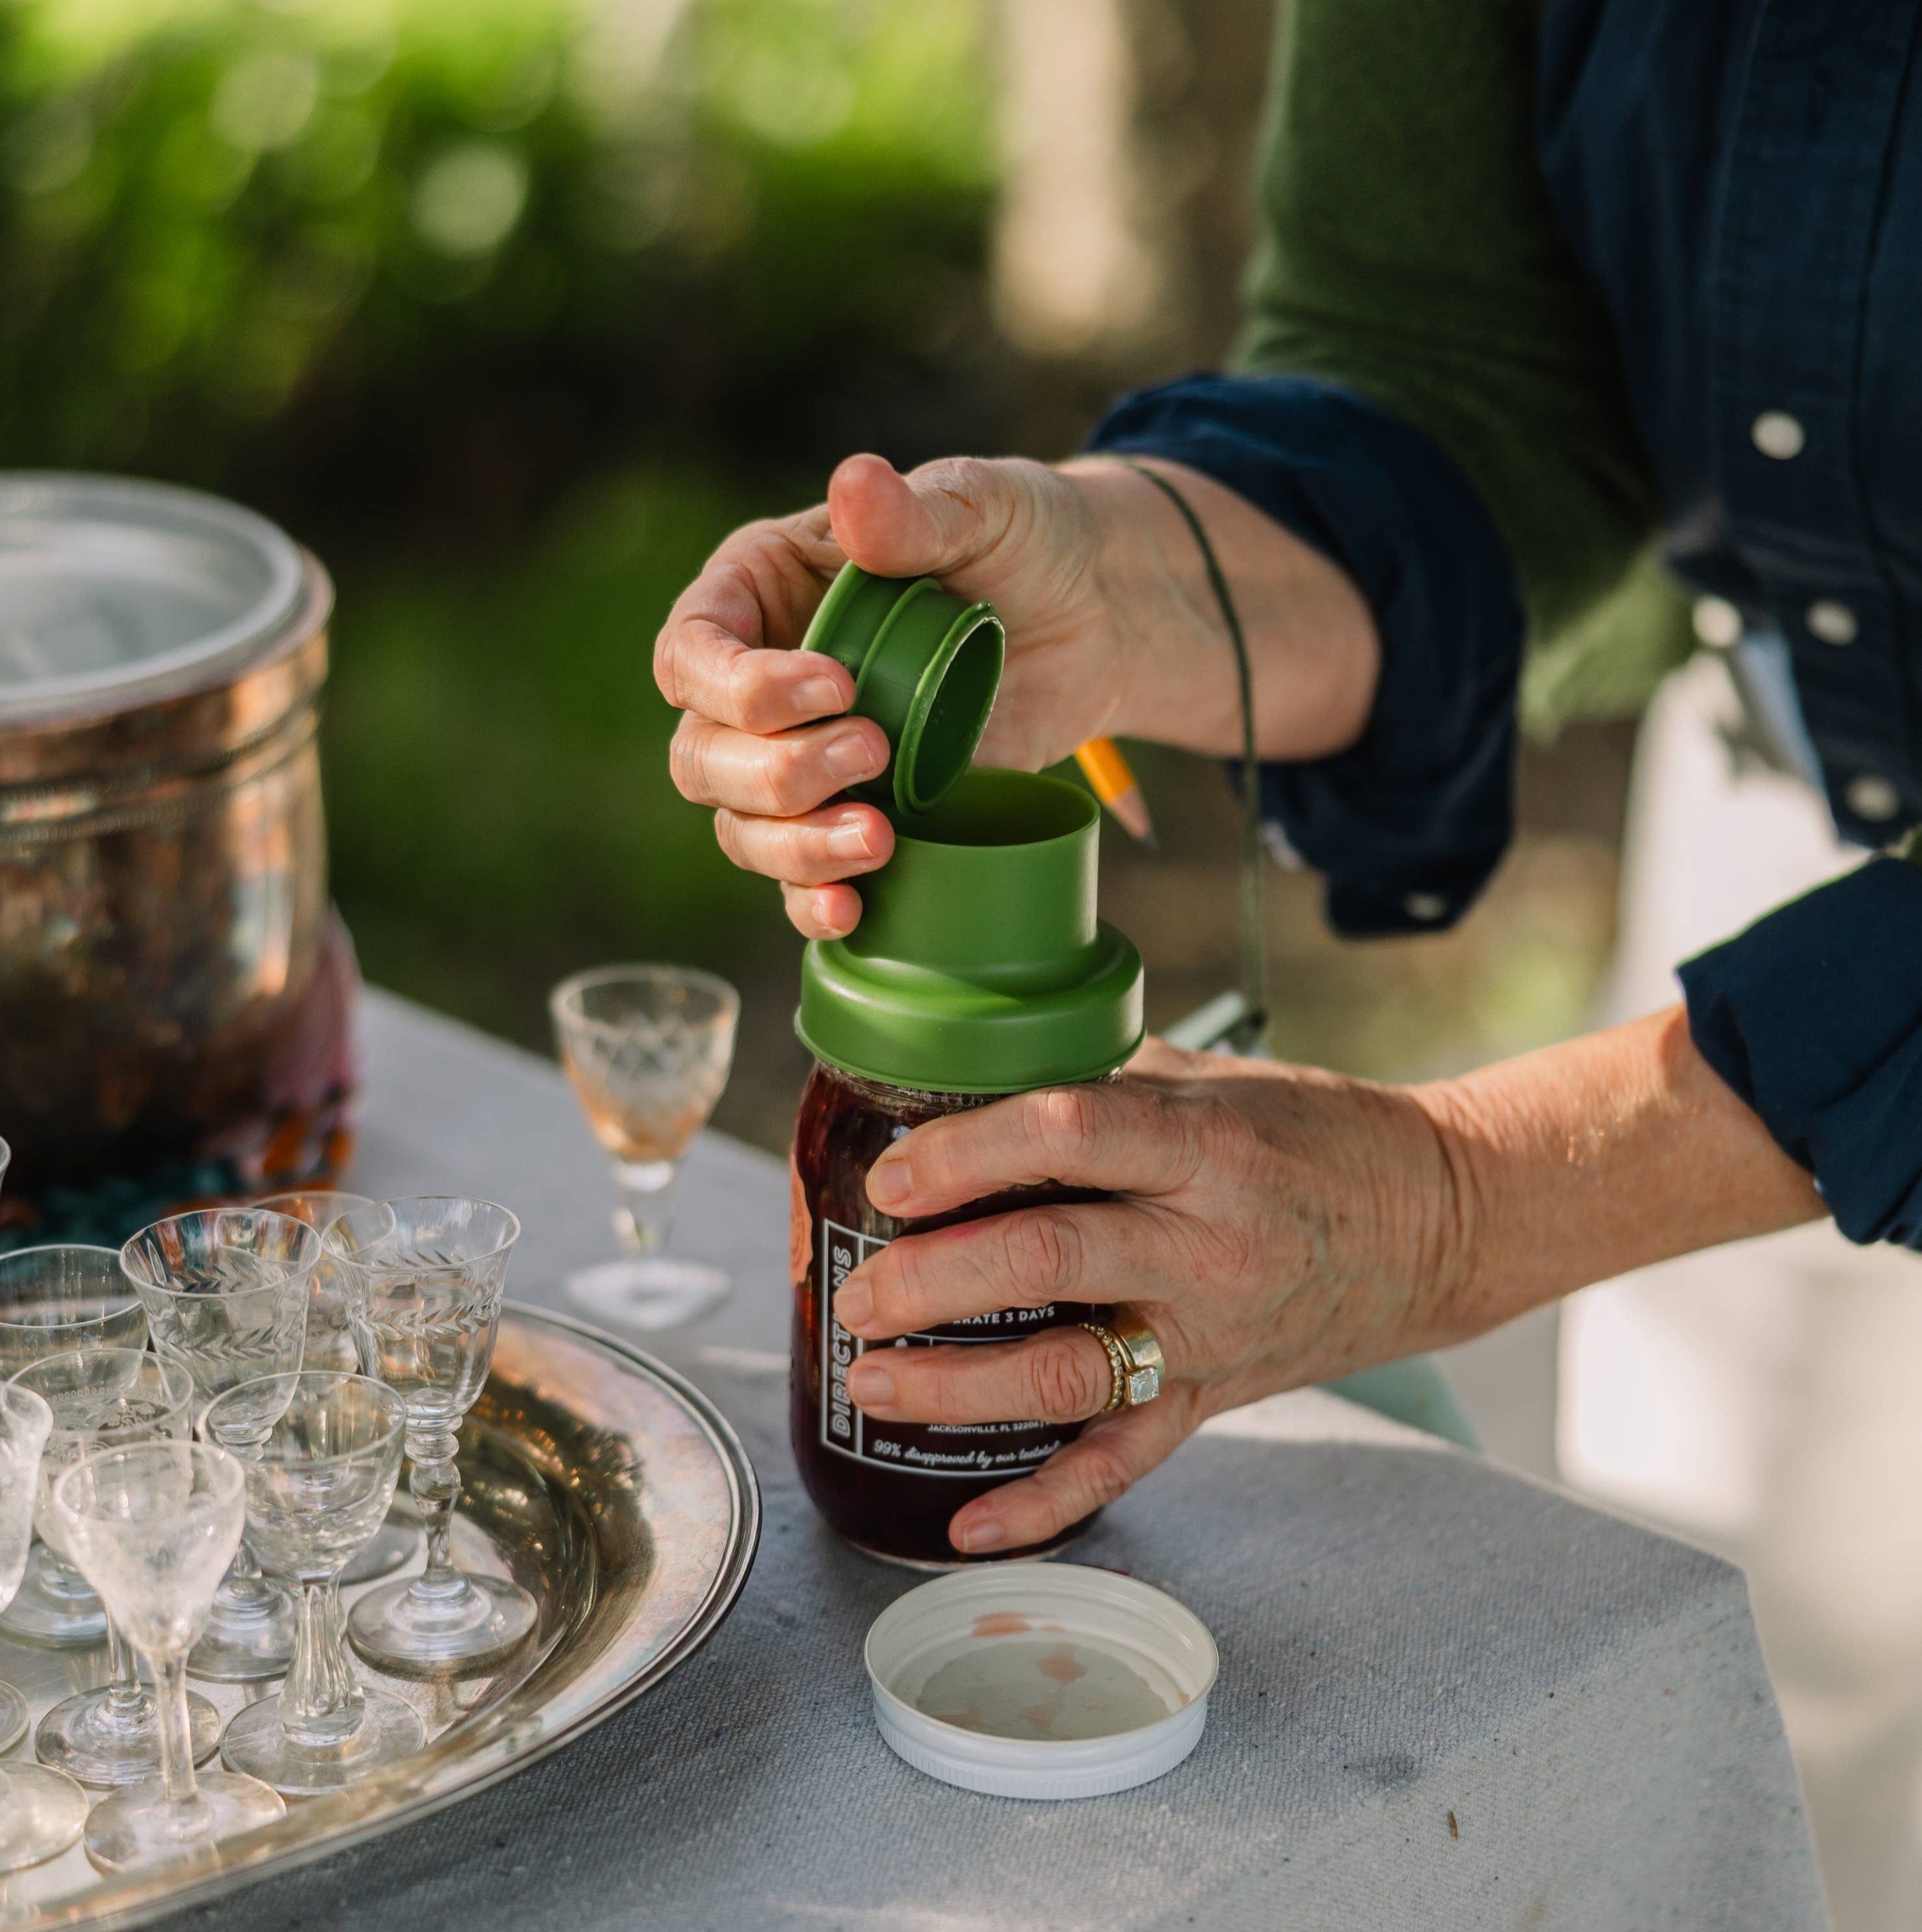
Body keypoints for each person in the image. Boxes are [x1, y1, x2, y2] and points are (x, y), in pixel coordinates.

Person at [658, 3, 1922, 1915]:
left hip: (1829, 1016)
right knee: (1763, 1711)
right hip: (1800, 831)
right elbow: (1464, 365)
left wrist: (1466, 1199)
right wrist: (1128, 580)